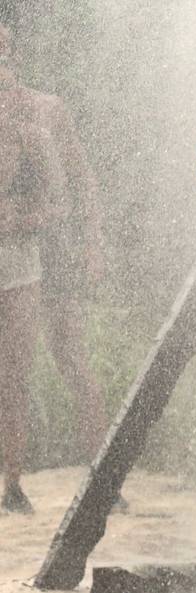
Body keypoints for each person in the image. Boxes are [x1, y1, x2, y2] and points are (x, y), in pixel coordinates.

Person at [0, 22, 74, 514]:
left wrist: (19, 218)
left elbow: (59, 202)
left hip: (18, 262)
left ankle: (12, 483)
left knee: (14, 373)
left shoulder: (31, 128)